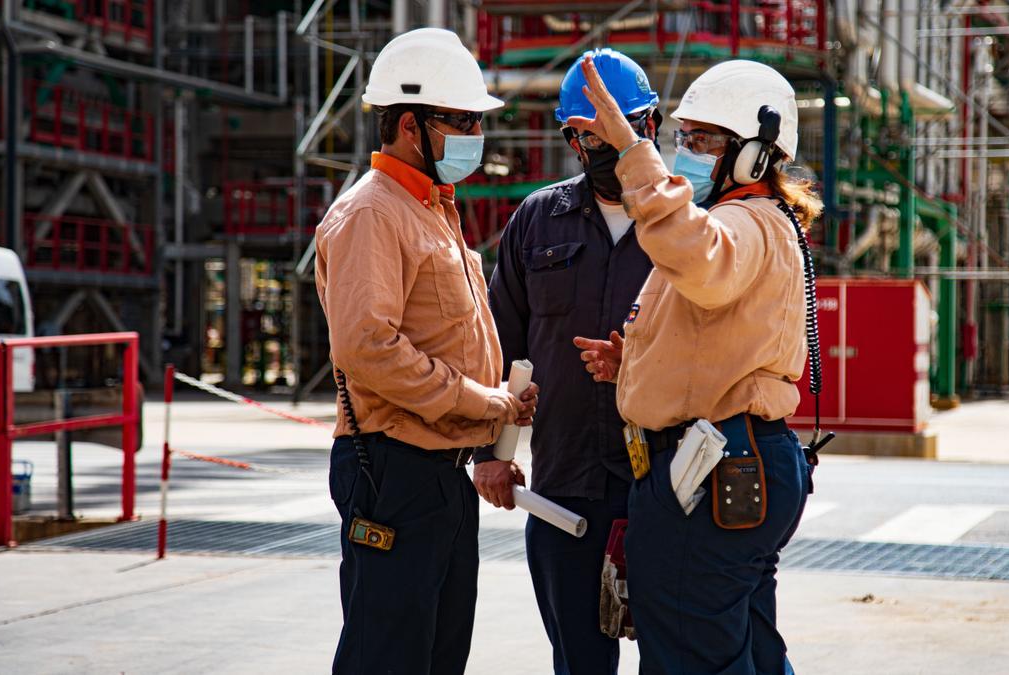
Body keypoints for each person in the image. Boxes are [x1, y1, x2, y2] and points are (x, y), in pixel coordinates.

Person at [570, 57, 821, 674]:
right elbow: (720, 336)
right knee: (742, 649)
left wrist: (633, 153)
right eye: (683, 138)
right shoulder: (749, 223)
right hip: (725, 462)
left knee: (690, 652)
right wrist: (639, 363)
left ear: (756, 154)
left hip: (712, 468)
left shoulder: (742, 221)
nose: (687, 151)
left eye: (703, 140)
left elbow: (700, 262)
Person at [314, 27, 539, 675]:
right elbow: (370, 347)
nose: (476, 134)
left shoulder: (432, 208)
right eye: (463, 120)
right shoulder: (373, 213)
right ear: (409, 124)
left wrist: (496, 403)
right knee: (388, 654)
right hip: (392, 467)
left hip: (439, 469)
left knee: (438, 653)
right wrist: (481, 397)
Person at [475, 48, 659, 675]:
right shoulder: (538, 220)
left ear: (648, 126)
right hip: (565, 491)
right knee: (579, 661)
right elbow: (502, 348)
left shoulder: (685, 225)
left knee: (674, 654)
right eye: (584, 135)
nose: (598, 145)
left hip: (661, 487)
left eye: (612, 129)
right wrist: (492, 457)